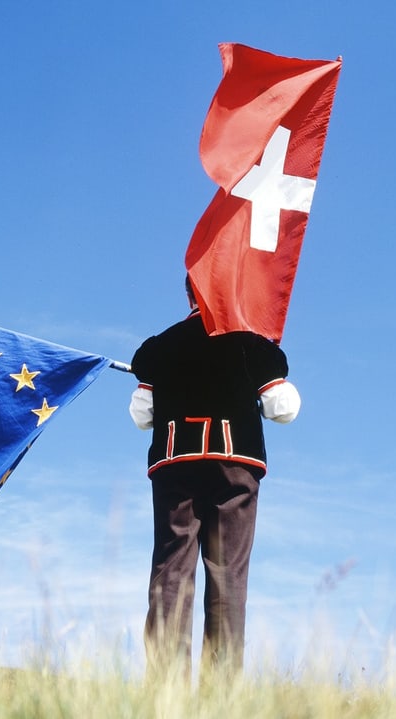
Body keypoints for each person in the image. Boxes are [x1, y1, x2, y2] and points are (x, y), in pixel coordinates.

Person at [128, 275, 301, 680]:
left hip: (174, 465)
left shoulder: (158, 347)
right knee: (228, 573)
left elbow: (140, 417)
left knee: (170, 570)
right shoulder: (251, 342)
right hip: (233, 464)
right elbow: (284, 408)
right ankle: (220, 692)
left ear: (188, 292)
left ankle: (164, 690)